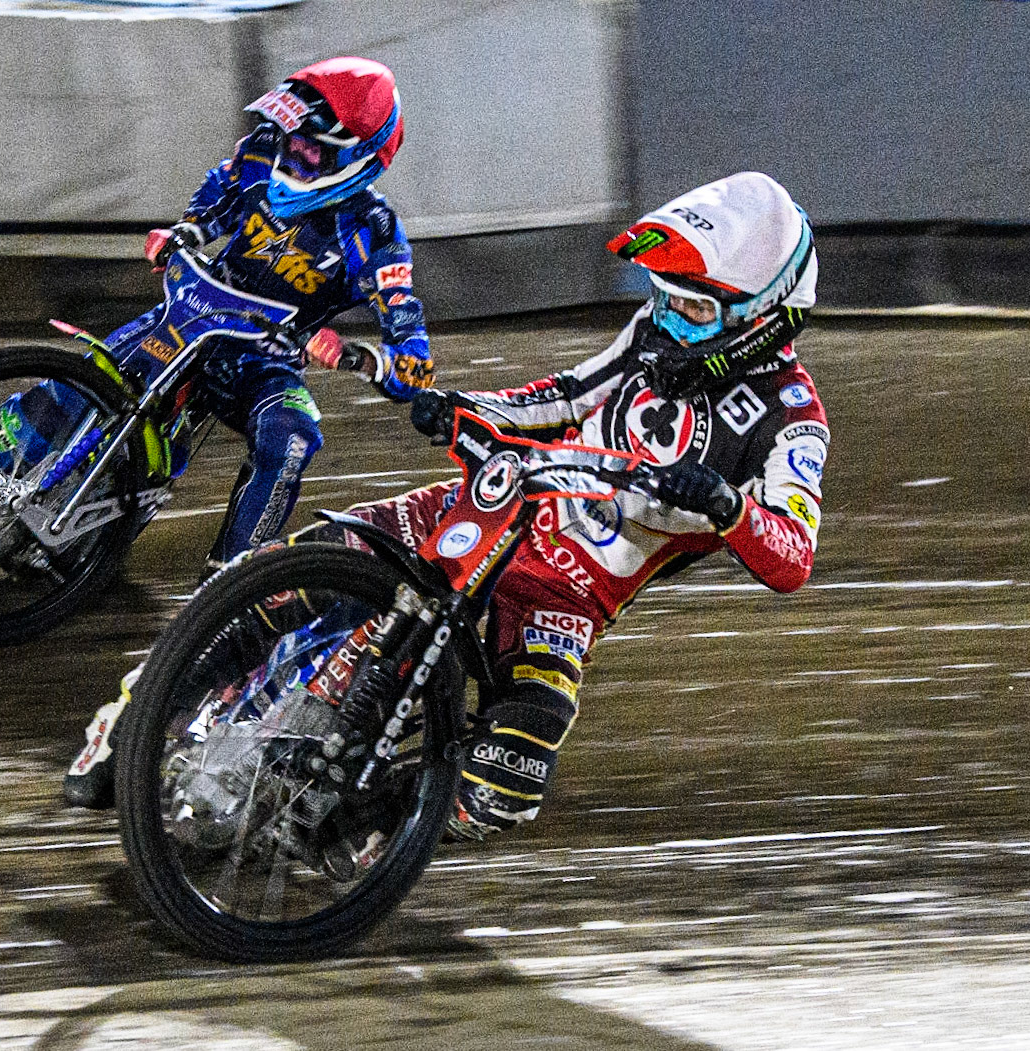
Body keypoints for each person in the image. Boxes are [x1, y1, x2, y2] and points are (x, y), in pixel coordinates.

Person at [336, 170, 827, 840]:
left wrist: (727, 506)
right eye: (665, 297)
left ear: (762, 319)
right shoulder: (652, 331)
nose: (669, 319)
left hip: (565, 598)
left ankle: (356, 829)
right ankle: (197, 686)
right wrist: (465, 409)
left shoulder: (794, 420)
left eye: (695, 309)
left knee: (504, 789)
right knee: (331, 552)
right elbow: (567, 395)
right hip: (498, 507)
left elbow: (794, 557)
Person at [61, 56, 434, 807]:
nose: (290, 155)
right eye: (289, 142)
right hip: (190, 319)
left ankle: (230, 583)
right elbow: (213, 191)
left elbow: (417, 367)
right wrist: (187, 230)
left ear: (359, 160)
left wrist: (358, 354)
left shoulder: (374, 233)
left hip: (262, 362)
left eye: (310, 152)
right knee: (77, 377)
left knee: (294, 436)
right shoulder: (261, 149)